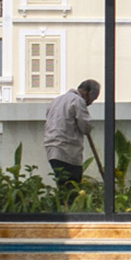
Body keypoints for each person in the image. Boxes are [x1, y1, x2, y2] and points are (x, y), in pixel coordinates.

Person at [43, 76, 102, 207]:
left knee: (62, 186)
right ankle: (70, 215)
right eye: (93, 99)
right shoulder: (77, 101)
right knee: (72, 189)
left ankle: (62, 210)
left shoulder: (57, 100)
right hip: (67, 151)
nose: (91, 103)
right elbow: (85, 126)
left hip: (52, 149)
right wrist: (89, 126)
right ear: (89, 93)